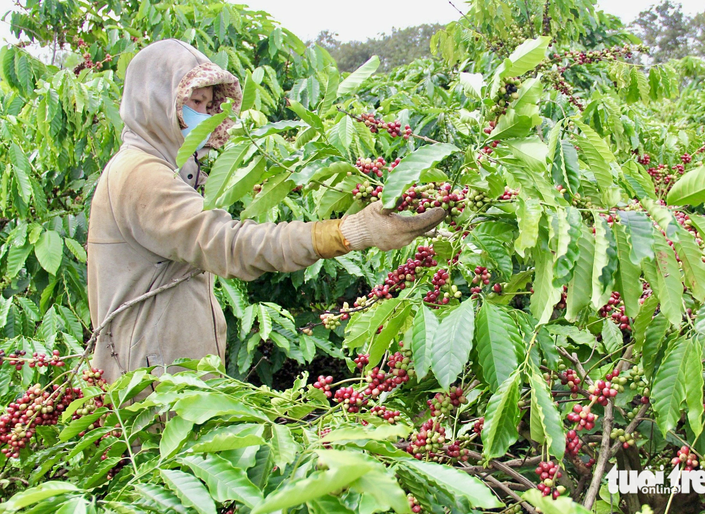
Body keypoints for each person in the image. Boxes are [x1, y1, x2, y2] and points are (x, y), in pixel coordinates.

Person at [87, 39, 445, 383]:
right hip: (152, 386)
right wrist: (347, 233)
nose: (204, 115)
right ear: (156, 101)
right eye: (194, 102)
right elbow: (228, 243)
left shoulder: (167, 169)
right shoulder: (141, 175)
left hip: (168, 375)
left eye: (208, 104)